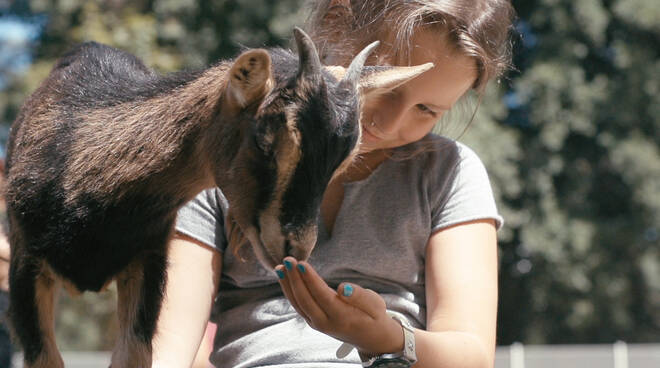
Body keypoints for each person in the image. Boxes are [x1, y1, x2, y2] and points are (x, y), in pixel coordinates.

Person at [153, 0, 515, 367]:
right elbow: (167, 343)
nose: (388, 123)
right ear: (336, 22)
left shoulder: (450, 173)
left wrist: (386, 337)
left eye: (426, 110)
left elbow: (471, 356)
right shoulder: (224, 161)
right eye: (388, 86)